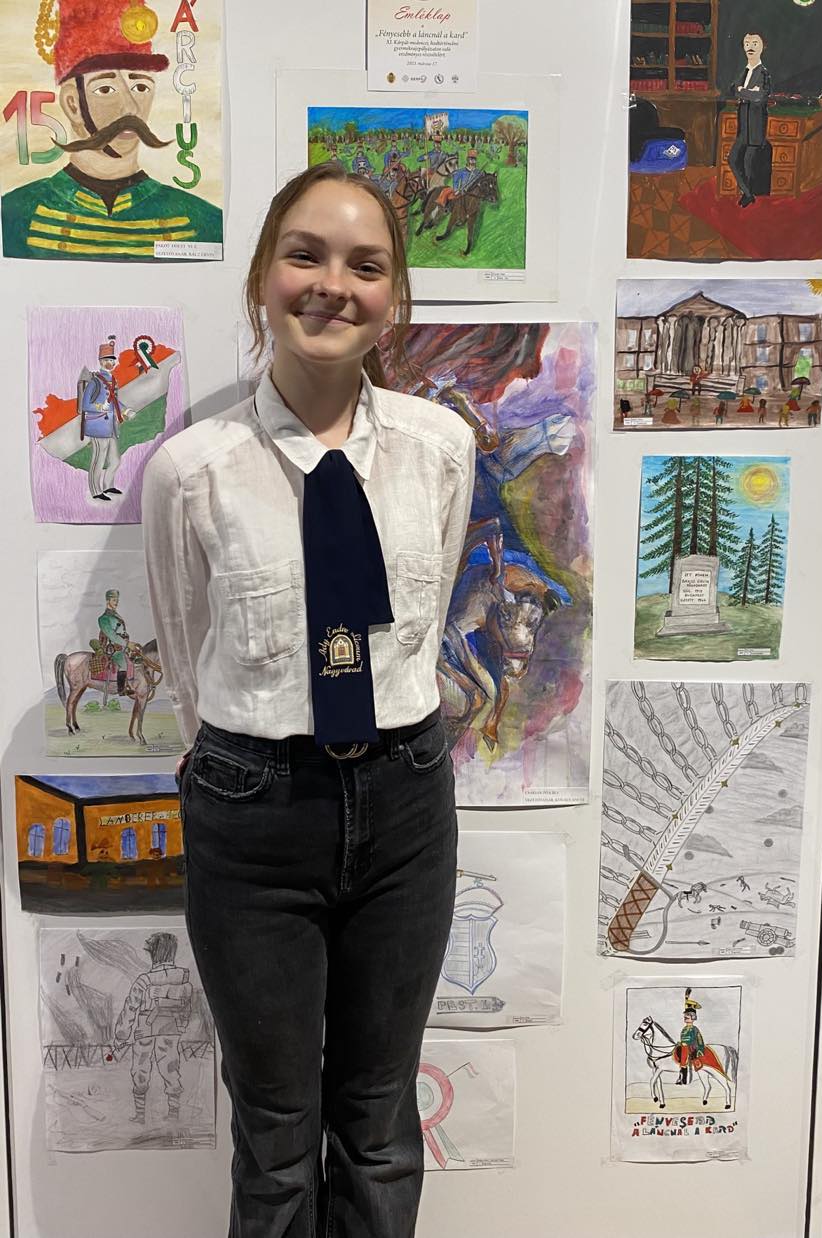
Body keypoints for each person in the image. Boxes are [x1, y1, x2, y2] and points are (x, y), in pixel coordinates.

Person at [142, 161, 476, 1236]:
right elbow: (184, 651)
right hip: (253, 812)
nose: (334, 284)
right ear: (261, 279)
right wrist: (238, 765)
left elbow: (422, 623)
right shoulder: (191, 470)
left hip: (406, 802)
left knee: (379, 1122)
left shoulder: (440, 449)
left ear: (395, 296)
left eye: (366, 265)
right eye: (306, 255)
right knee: (278, 1137)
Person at [2, 0, 222, 259]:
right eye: (105, 89)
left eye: (141, 87)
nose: (130, 107)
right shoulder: (15, 214)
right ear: (72, 103)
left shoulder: (204, 221)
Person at [112, 931, 193, 1125]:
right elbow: (187, 1007)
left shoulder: (144, 980)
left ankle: (140, 1116)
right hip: (171, 1030)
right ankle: (173, 1114)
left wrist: (121, 1035)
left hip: (144, 1031)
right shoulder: (183, 979)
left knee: (140, 1071)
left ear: (153, 953)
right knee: (171, 1068)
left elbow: (130, 1008)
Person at [79, 334, 134, 500]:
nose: (110, 363)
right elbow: (85, 404)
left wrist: (125, 410)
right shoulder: (95, 381)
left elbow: (114, 401)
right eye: (107, 360)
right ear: (101, 361)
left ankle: (108, 485)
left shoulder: (112, 380)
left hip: (111, 425)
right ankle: (96, 491)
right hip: (97, 426)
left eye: (112, 360)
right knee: (98, 459)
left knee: (115, 459)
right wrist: (99, 407)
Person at [727, 31, 773, 208]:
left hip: (755, 127)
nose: (750, 47)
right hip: (743, 129)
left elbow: (759, 97)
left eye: (755, 43)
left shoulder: (763, 73)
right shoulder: (745, 71)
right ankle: (748, 193)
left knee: (748, 164)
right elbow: (733, 89)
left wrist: (743, 92)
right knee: (732, 159)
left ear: (763, 47)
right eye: (747, 44)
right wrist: (747, 92)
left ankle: (749, 197)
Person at [96, 588, 133, 697]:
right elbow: (111, 635)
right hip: (111, 648)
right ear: (108, 601)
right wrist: (127, 644)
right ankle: (121, 690)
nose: (116, 602)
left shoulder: (116, 616)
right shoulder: (103, 618)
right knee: (123, 664)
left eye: (117, 600)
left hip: (121, 645)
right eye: (114, 600)